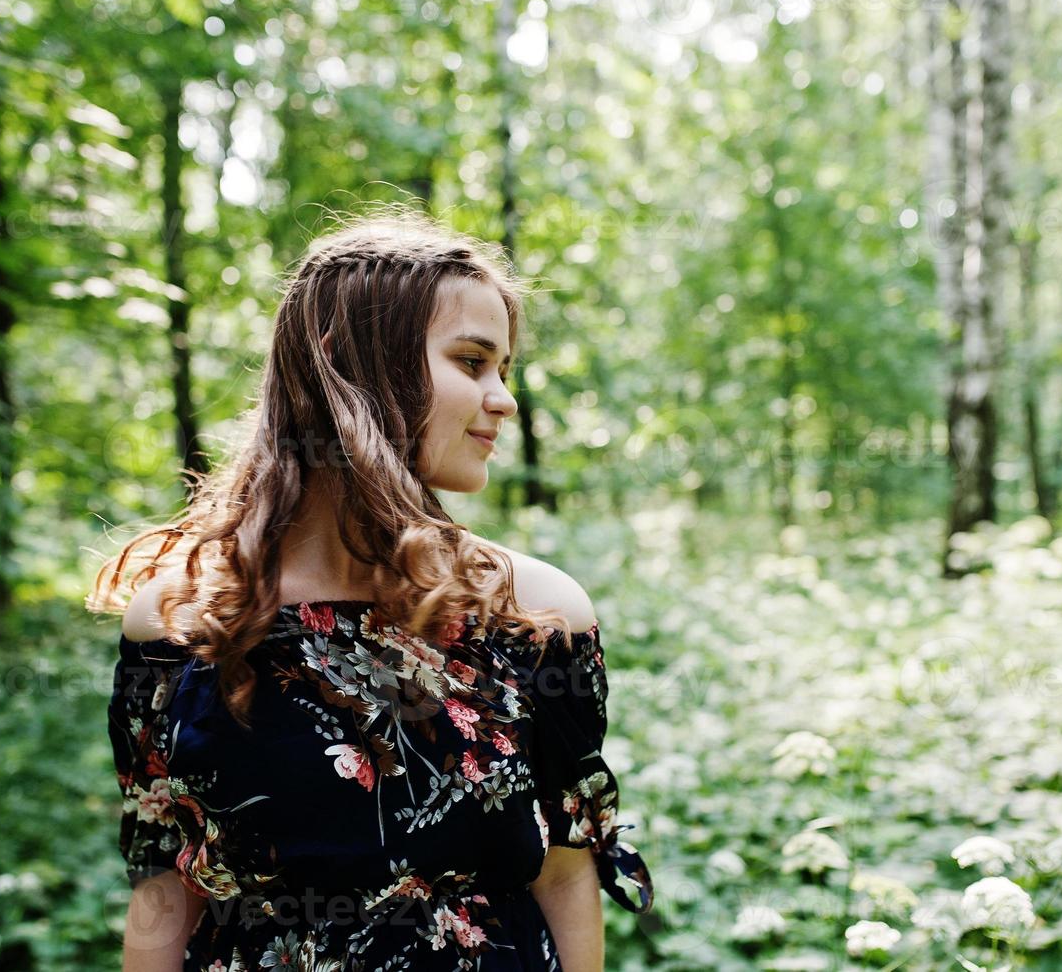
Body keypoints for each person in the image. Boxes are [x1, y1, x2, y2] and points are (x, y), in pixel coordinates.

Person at [88, 209, 653, 972]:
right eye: (471, 360)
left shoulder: (534, 615)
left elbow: (563, 868)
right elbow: (168, 883)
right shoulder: (183, 619)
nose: (503, 399)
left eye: (503, 369)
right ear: (346, 365)